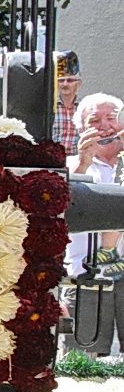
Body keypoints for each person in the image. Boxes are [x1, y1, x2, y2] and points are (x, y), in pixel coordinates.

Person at [67, 93, 123, 278]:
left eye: (111, 118)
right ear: (82, 130)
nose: (105, 126)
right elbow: (60, 202)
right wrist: (83, 163)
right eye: (94, 120)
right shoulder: (71, 165)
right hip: (85, 281)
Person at [53, 50, 83, 153]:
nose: (65, 84)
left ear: (79, 83)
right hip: (54, 161)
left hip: (78, 160)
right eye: (61, 80)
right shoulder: (49, 108)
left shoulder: (84, 109)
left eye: (70, 80)